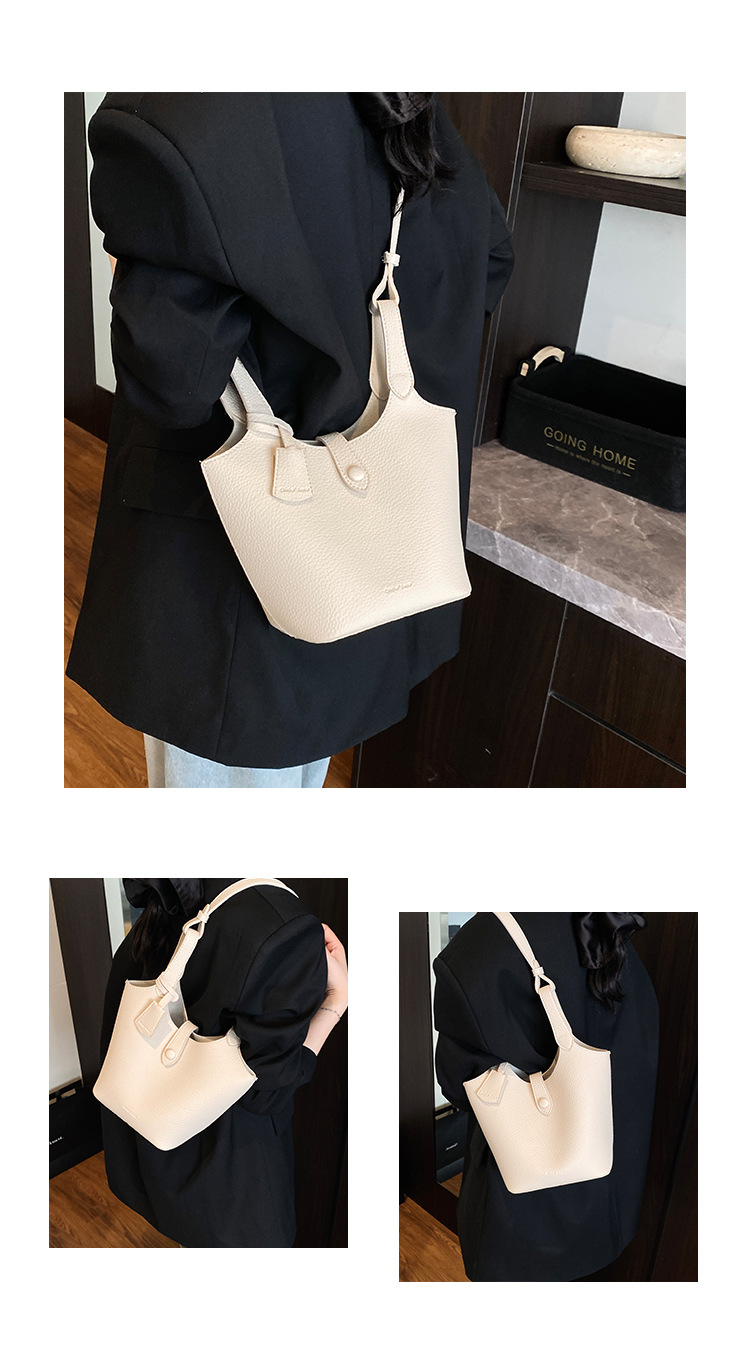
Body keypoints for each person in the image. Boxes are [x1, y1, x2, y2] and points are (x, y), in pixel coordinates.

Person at [66, 92, 514, 787]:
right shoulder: (407, 101)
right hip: (365, 568)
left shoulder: (193, 106)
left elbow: (173, 379)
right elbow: (490, 261)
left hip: (231, 602)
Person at [99, 879, 347, 1247]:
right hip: (226, 1186)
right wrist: (336, 1001)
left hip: (152, 1152)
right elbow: (266, 1093)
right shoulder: (281, 927)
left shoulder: (169, 885)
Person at [433, 912, 658, 1281]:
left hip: (527, 1223)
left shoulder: (483, 946)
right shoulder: (609, 916)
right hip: (612, 1195)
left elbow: (458, 1086)